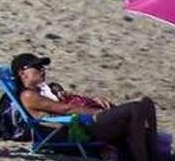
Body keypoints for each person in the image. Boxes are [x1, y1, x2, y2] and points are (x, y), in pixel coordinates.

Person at [14, 54, 161, 161]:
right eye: (37, 67)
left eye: (43, 67)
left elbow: (71, 101)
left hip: (82, 122)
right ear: (22, 74)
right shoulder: (28, 95)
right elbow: (66, 110)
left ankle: (152, 154)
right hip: (71, 132)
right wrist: (98, 112)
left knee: (145, 102)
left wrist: (94, 100)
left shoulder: (46, 89)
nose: (43, 70)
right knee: (135, 108)